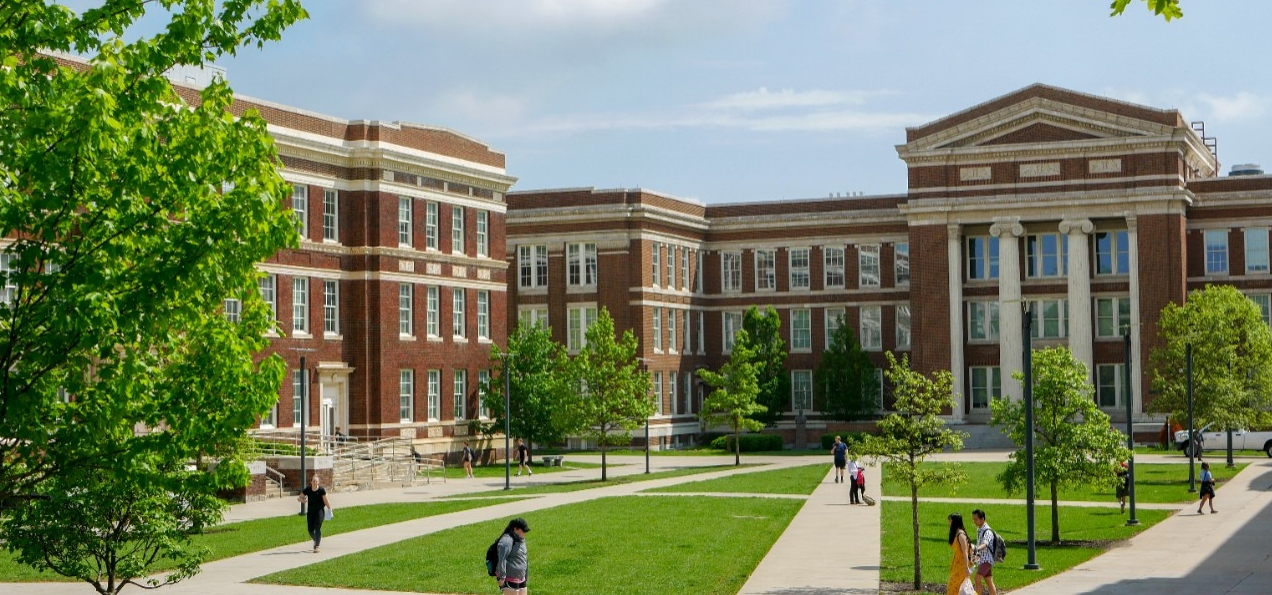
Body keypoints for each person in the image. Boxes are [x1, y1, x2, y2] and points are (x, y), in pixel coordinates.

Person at [495, 517, 530, 594]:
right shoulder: (506, 541)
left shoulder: (521, 540)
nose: (524, 533)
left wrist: (526, 575)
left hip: (521, 577)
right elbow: (502, 559)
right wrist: (502, 577)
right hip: (509, 577)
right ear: (515, 529)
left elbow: (524, 558)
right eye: (523, 530)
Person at [298, 475, 332, 553]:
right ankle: (316, 540)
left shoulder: (321, 490)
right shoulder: (308, 490)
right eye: (313, 481)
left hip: (319, 511)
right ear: (311, 482)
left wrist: (330, 508)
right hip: (310, 512)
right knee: (310, 530)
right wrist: (303, 500)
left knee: (317, 528)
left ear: (318, 482)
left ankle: (317, 546)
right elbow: (299, 498)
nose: (315, 482)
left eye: (316, 481)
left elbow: (326, 500)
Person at [971, 509, 998, 595]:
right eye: (973, 519)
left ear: (982, 519)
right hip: (982, 560)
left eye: (976, 519)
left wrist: (976, 549)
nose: (974, 521)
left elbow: (985, 544)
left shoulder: (987, 531)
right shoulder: (979, 529)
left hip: (987, 560)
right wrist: (975, 557)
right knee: (989, 581)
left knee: (977, 579)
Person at [945, 512, 973, 595]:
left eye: (950, 520)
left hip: (962, 564)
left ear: (955, 522)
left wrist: (966, 567)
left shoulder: (961, 535)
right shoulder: (956, 533)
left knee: (955, 584)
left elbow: (965, 551)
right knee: (954, 585)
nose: (949, 522)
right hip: (957, 562)